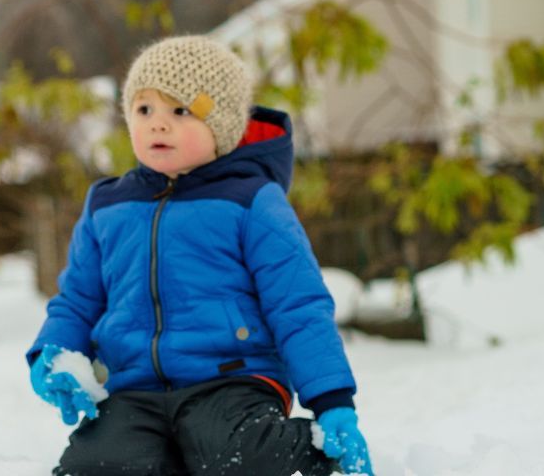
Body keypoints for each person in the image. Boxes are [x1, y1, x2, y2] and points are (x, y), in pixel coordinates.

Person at [27, 35, 374, 476]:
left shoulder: (252, 201)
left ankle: (316, 456)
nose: (157, 124)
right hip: (134, 390)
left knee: (240, 457)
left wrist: (332, 400)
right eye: (144, 109)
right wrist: (53, 351)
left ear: (222, 125)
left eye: (180, 111)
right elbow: (78, 299)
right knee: (97, 466)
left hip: (233, 381)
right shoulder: (107, 206)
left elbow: (297, 303)